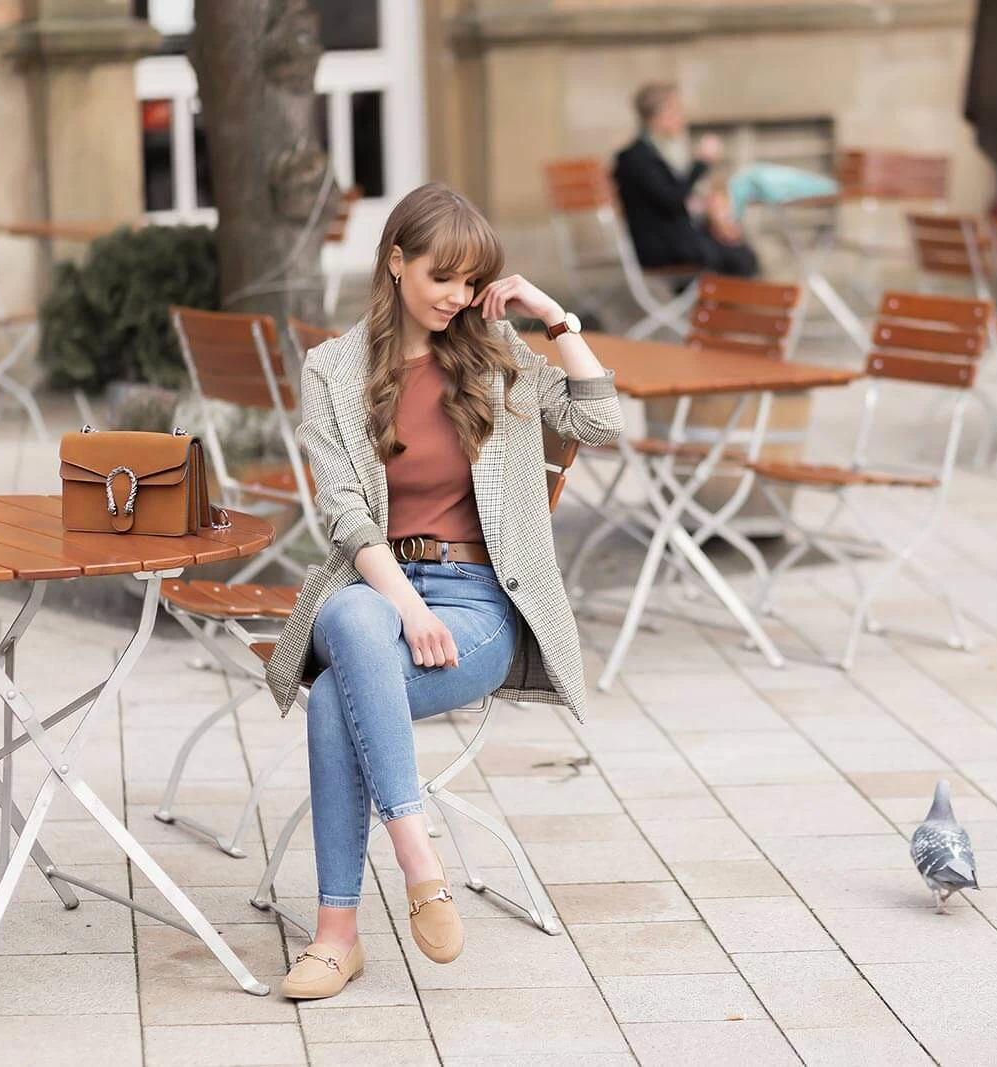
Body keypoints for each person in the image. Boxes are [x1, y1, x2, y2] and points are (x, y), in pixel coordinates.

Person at [262, 182, 624, 1000]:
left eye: (472, 282)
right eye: (441, 278)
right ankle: (418, 853)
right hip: (384, 585)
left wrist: (551, 315)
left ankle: (336, 935)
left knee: (332, 700)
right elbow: (345, 515)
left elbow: (600, 423)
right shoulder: (333, 369)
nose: (458, 298)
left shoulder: (494, 358)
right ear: (395, 262)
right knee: (355, 616)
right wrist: (408, 607)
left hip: (480, 605)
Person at [612, 82, 760, 278]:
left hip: (676, 240)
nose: (682, 118)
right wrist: (701, 163)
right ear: (659, 115)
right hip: (663, 247)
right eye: (677, 111)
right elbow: (673, 199)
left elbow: (673, 197)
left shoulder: (653, 152)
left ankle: (719, 306)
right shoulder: (636, 157)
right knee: (740, 257)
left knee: (738, 247)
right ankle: (725, 307)